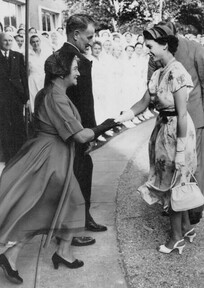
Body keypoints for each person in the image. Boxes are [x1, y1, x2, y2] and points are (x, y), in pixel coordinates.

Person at [0, 50, 117, 285]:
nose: (79, 73)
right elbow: (81, 136)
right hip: (49, 158)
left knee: (68, 204)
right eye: (75, 68)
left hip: (50, 154)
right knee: (46, 207)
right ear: (62, 72)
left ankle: (60, 252)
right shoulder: (57, 97)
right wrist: (105, 125)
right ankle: (17, 255)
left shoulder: (51, 92)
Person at [115, 25, 197, 255]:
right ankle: (187, 227)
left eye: (149, 46)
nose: (146, 50)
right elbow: (144, 102)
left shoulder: (177, 71)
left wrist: (180, 150)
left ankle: (176, 238)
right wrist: (125, 116)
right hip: (163, 131)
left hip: (177, 133)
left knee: (173, 184)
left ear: (164, 45)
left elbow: (181, 113)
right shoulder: (158, 72)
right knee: (171, 180)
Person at [50, 14, 108, 238]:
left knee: (81, 173)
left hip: (70, 129)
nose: (91, 42)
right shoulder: (72, 59)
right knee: (75, 177)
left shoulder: (60, 56)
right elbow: (80, 102)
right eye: (89, 36)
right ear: (75, 34)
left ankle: (83, 219)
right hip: (74, 130)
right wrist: (89, 133)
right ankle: (71, 229)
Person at [148, 22, 204, 224]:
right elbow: (151, 82)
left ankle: (193, 208)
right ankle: (179, 207)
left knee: (189, 164)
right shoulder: (157, 50)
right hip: (177, 117)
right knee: (177, 164)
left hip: (192, 116)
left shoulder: (194, 47)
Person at [0, 32, 29, 163]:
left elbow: (24, 78)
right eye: (5, 40)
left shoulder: (18, 56)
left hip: (17, 97)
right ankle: (8, 156)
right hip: (2, 98)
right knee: (5, 126)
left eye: (10, 40)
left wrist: (26, 97)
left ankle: (21, 154)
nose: (8, 43)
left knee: (18, 125)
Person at [28, 34, 49, 112]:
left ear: (40, 41)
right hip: (33, 80)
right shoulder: (28, 55)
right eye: (33, 42)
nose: (36, 44)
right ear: (30, 44)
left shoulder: (46, 53)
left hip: (44, 79)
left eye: (37, 41)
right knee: (35, 100)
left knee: (45, 100)